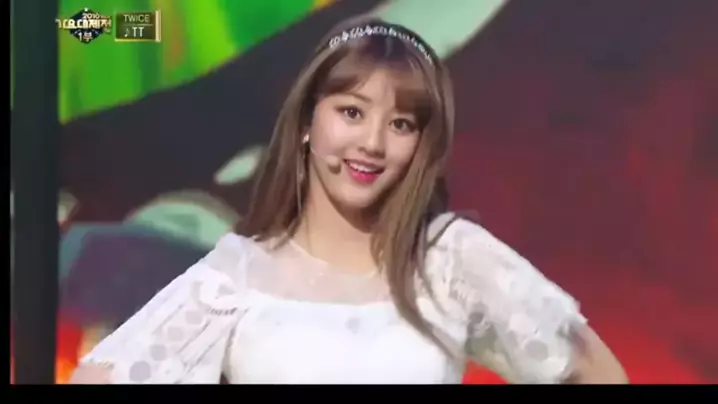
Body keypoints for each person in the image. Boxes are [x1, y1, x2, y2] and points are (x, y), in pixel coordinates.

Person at [70, 15, 627, 384]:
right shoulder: (238, 275)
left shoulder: (451, 257)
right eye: (352, 112)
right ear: (307, 123)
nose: (372, 143)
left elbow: (593, 373)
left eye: (401, 123)